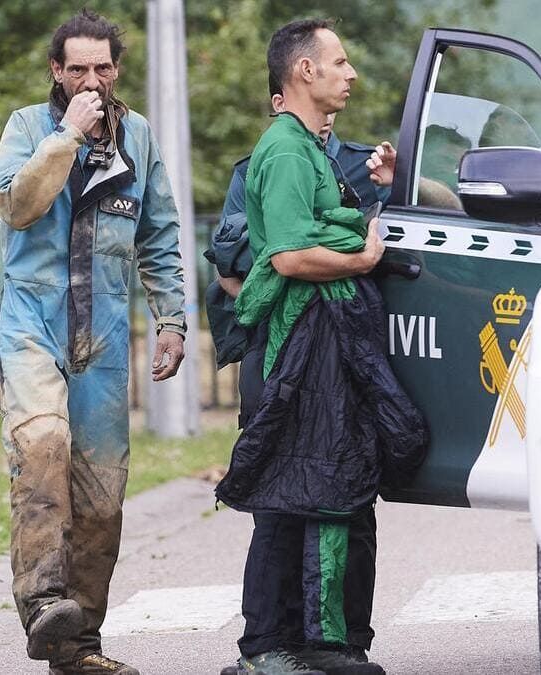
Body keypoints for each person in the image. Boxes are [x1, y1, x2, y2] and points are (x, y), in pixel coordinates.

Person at [213, 19, 426, 675]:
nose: (350, 73)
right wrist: (361, 260)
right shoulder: (280, 151)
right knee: (288, 488)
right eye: (338, 61)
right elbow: (288, 254)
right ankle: (269, 647)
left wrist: (378, 195)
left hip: (331, 340)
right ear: (303, 73)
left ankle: (324, 643)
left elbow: (325, 224)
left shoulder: (316, 150)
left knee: (327, 480)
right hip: (299, 340)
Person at [0, 10, 187, 675]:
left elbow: (159, 236)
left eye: (103, 67)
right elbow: (17, 206)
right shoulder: (27, 128)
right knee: (42, 447)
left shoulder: (140, 139)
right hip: (33, 323)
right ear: (56, 71)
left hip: (102, 338)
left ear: (117, 69)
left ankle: (77, 646)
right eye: (78, 68)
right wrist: (66, 137)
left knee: (101, 494)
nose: (92, 79)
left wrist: (171, 320)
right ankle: (44, 601)